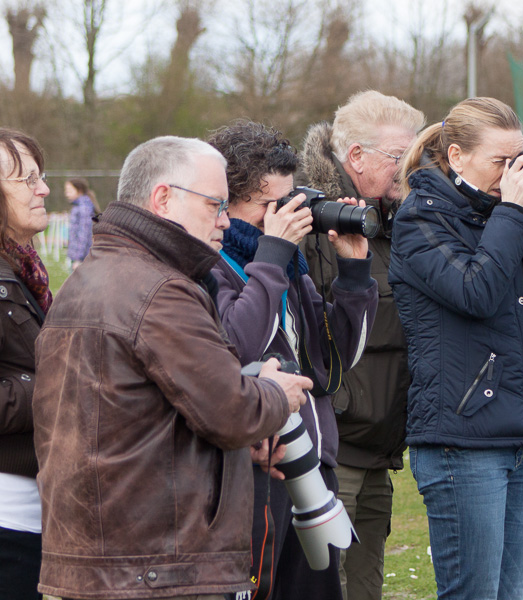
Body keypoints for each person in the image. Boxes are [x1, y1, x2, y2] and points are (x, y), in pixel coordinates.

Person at [32, 136, 310, 600]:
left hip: (107, 562)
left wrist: (238, 452)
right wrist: (277, 393)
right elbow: (230, 410)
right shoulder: (158, 288)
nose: (225, 219)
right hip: (153, 568)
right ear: (163, 198)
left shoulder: (95, 275)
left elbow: (135, 419)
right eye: (215, 204)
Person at [388, 97, 523, 600]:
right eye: (500, 162)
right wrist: (513, 210)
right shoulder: (419, 219)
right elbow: (476, 293)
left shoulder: (504, 215)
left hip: (522, 434)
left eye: (519, 160)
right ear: (456, 156)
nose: (513, 173)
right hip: (460, 441)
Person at [207, 119, 378, 600]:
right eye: (269, 206)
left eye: (288, 200)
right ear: (225, 202)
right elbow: (236, 349)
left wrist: (353, 271)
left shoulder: (289, 267)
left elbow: (333, 365)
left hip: (312, 465)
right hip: (256, 470)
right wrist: (274, 253)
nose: (283, 215)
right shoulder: (214, 268)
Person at [298, 90, 424, 600]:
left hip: (381, 450)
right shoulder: (315, 225)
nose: (408, 170)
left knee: (366, 587)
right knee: (328, 587)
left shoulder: (397, 221)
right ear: (356, 157)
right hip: (332, 450)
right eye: (399, 158)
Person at [0, 128, 53, 600]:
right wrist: (58, 384)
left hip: (36, 506)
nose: (44, 189)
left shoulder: (24, 269)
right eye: (27, 180)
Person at [64, 177, 99, 270]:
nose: (67, 194)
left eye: (69, 190)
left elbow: (84, 234)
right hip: (76, 258)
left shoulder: (84, 208)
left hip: (81, 260)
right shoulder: (77, 207)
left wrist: (78, 259)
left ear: (79, 190)